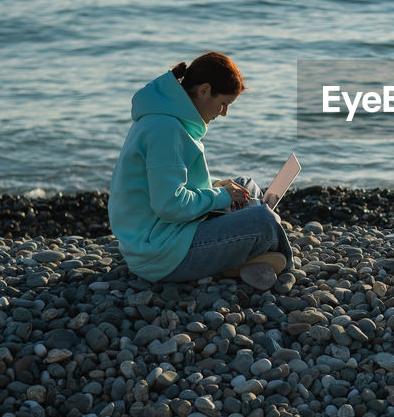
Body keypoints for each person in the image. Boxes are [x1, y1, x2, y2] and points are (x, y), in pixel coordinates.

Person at [108, 52, 292, 284]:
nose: (224, 113)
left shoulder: (169, 117)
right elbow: (169, 204)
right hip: (159, 253)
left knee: (246, 186)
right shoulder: (166, 129)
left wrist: (217, 186)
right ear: (204, 91)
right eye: (223, 103)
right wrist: (221, 197)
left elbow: (173, 180)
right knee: (265, 221)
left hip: (168, 232)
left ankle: (244, 249)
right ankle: (262, 259)